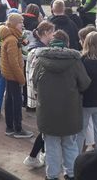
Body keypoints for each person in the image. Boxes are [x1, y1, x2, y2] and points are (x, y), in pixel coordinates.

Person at [33, 30, 91, 180]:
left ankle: (52, 175)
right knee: (70, 145)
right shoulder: (75, 61)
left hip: (47, 113)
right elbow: (84, 84)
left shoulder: (40, 60)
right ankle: (71, 174)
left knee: (51, 146)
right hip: (70, 112)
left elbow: (34, 83)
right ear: (67, 43)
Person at [22, 21, 55, 168]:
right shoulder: (39, 52)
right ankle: (32, 157)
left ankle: (40, 155)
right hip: (42, 97)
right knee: (45, 130)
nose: (53, 35)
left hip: (40, 96)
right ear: (46, 32)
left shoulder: (38, 48)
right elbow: (37, 77)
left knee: (45, 129)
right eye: (52, 32)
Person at [0, 13, 34, 139]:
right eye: (20, 22)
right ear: (14, 24)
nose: (23, 25)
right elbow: (13, 62)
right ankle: (18, 129)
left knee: (9, 100)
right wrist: (22, 78)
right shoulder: (12, 40)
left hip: (9, 75)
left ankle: (10, 127)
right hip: (13, 76)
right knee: (16, 102)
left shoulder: (10, 37)